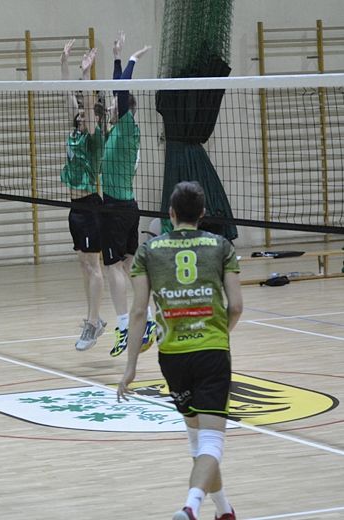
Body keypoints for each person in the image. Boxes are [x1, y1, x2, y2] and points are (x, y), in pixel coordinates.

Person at [117, 181, 242, 520]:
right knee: (212, 443)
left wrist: (130, 367)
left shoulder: (149, 250)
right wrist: (218, 334)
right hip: (212, 350)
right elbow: (237, 306)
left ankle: (225, 512)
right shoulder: (220, 246)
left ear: (170, 214)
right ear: (202, 214)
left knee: (196, 440)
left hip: (171, 355)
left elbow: (139, 312)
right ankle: (191, 507)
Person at [99, 31, 155, 357]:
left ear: (124, 108)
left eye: (113, 104)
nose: (108, 106)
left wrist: (128, 59)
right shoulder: (118, 131)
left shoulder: (127, 125)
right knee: (131, 266)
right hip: (126, 206)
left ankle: (123, 327)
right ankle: (146, 320)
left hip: (117, 207)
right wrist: (117, 56)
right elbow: (117, 91)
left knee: (113, 268)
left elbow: (120, 90)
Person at [59, 41, 107, 351]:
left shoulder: (94, 136)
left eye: (85, 112)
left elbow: (87, 106)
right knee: (83, 265)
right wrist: (64, 64)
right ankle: (94, 319)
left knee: (94, 266)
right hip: (74, 208)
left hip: (90, 207)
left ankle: (94, 322)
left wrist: (88, 74)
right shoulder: (74, 131)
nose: (79, 113)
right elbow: (68, 96)